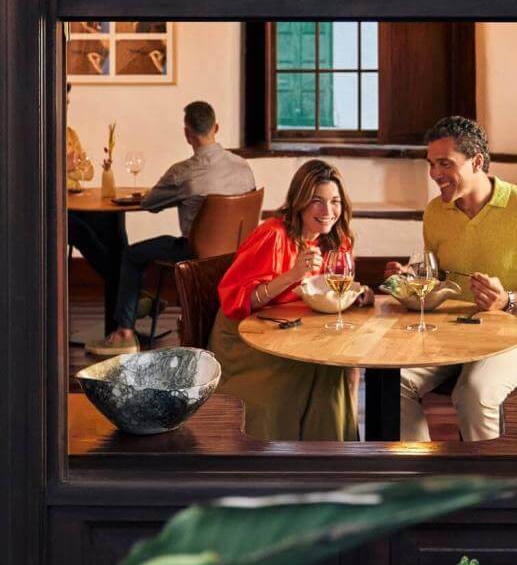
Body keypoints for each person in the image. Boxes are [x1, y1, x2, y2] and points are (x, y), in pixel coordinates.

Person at [388, 116, 517, 442]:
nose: (434, 174)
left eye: (444, 163)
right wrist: (410, 279)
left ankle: (485, 483)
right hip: (449, 333)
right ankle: (418, 476)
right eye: (431, 164)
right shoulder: (435, 212)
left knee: (475, 391)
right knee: (391, 382)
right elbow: (435, 276)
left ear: (477, 161)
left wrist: (507, 301)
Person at [209, 160, 368, 441]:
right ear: (300, 202)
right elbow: (238, 300)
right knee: (318, 367)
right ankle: (292, 459)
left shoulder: (334, 240)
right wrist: (293, 274)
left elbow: (332, 288)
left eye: (335, 202)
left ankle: (332, 459)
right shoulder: (274, 235)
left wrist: (357, 294)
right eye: (317, 201)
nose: (328, 212)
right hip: (247, 338)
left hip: (294, 331)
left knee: (336, 365)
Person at [86, 100, 256, 357]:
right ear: (216, 128)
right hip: (238, 254)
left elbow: (150, 203)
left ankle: (124, 333)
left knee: (131, 255)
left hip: (196, 253)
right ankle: (145, 303)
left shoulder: (183, 173)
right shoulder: (243, 167)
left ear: (187, 134)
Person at [67, 83, 125, 330]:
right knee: (86, 235)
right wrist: (67, 167)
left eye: (67, 101)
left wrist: (72, 167)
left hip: (74, 202)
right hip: (50, 213)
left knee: (114, 223)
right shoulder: (35, 132)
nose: (65, 105)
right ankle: (127, 293)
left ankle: (118, 320)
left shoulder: (69, 133)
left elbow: (88, 171)